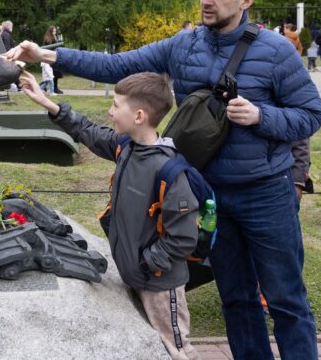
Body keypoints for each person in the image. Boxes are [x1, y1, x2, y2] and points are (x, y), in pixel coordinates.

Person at [7, 0, 321, 359]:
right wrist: (48, 55)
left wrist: (262, 116)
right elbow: (117, 65)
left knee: (286, 302)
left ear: (245, 0)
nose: (207, 1)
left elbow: (310, 116)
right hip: (209, 196)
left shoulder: (277, 52)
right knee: (237, 299)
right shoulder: (183, 44)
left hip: (266, 194)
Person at [20, 70, 200, 359]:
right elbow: (87, 130)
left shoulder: (169, 172)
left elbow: (183, 237)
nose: (110, 110)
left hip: (159, 286)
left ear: (138, 116)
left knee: (176, 349)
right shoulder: (125, 147)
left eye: (117, 105)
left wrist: (146, 265)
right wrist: (47, 103)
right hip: (137, 276)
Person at [43, 25, 64, 93]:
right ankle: (54, 88)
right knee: (52, 74)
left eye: (55, 31)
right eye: (54, 31)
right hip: (50, 58)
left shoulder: (54, 37)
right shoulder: (48, 39)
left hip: (54, 57)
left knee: (52, 74)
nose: (55, 32)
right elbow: (49, 48)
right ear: (50, 31)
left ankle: (47, 87)